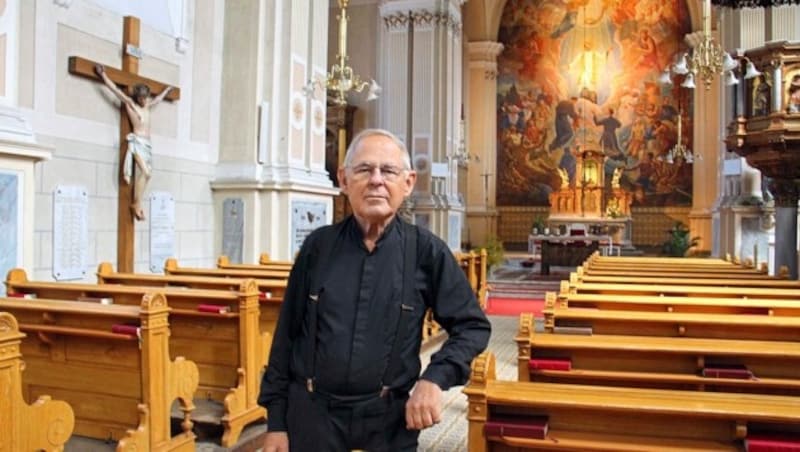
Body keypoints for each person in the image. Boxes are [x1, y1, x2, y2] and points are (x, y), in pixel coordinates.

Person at [258, 128, 491, 452]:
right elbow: (286, 338)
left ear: (408, 183)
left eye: (389, 171)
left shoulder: (427, 252)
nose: (376, 180)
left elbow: (473, 326)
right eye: (365, 169)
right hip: (312, 418)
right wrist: (277, 423)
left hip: (388, 421)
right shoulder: (317, 248)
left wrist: (435, 377)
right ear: (343, 179)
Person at [95, 64, 173, 221]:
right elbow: (115, 91)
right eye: (141, 98)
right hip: (137, 142)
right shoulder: (131, 104)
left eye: (145, 98)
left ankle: (137, 203)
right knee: (146, 172)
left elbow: (158, 99)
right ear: (137, 96)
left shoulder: (148, 105)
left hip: (147, 144)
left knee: (148, 175)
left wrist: (166, 90)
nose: (144, 101)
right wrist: (103, 76)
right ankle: (136, 204)